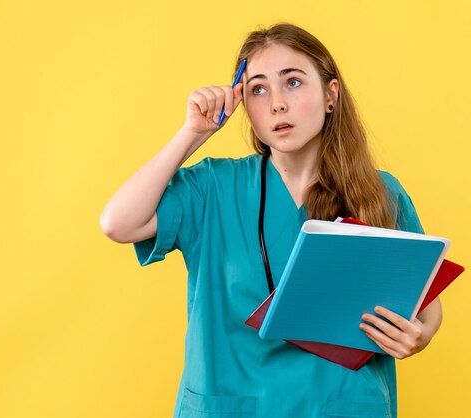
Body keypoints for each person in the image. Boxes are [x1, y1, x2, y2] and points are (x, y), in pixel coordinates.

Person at [100, 23, 442, 418]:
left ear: (331, 95)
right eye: (258, 90)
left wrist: (419, 337)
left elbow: (428, 306)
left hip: (342, 406)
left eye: (293, 82)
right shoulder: (212, 187)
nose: (277, 103)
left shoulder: (381, 193)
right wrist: (192, 133)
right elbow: (118, 224)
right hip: (231, 406)